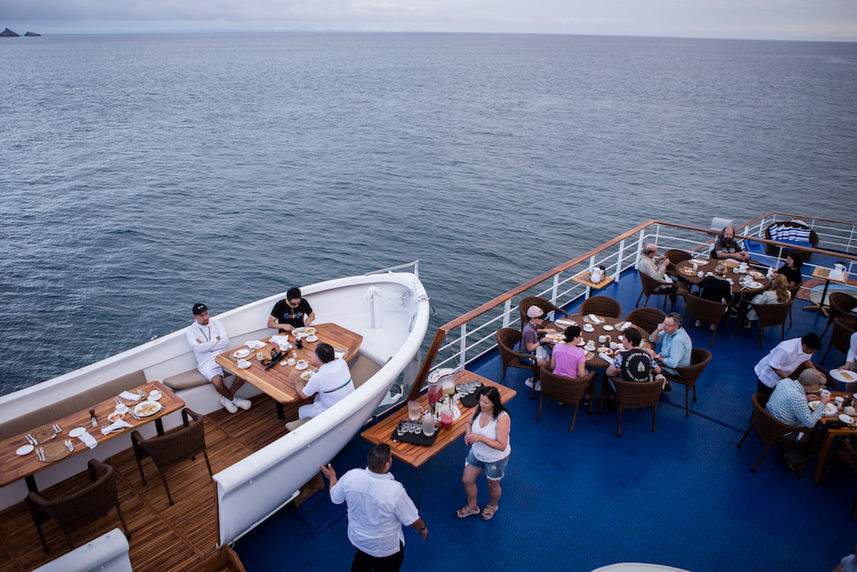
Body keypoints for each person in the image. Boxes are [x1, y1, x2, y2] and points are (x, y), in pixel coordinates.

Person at [319, 444, 426, 572]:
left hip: (359, 541)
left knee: (362, 561)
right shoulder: (395, 490)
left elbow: (335, 497)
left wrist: (332, 477)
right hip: (386, 550)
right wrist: (422, 527)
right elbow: (411, 519)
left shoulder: (351, 476)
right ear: (387, 465)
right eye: (391, 457)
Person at [456, 386, 511, 522]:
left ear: (494, 403)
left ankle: (492, 506)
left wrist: (479, 438)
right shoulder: (479, 408)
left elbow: (501, 445)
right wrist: (469, 434)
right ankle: (472, 507)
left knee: (493, 486)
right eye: (481, 400)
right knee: (467, 480)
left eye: (486, 402)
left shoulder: (502, 419)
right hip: (477, 453)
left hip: (495, 459)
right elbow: (468, 423)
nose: (482, 404)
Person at [184, 303, 251, 414]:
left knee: (243, 372)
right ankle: (234, 400)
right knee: (217, 382)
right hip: (206, 362)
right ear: (195, 317)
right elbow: (199, 349)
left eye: (206, 314)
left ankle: (226, 399)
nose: (205, 317)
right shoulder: (190, 331)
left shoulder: (216, 323)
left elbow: (225, 341)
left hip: (222, 355)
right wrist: (216, 340)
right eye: (201, 315)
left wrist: (206, 345)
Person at [765, 369, 829, 471]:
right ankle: (793, 458)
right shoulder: (798, 398)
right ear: (811, 385)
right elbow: (810, 423)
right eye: (818, 384)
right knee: (821, 437)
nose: (819, 387)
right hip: (784, 430)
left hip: (768, 419)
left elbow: (789, 399)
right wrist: (822, 404)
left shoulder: (785, 382)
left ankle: (788, 447)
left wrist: (805, 397)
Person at [286, 342, 354, 429]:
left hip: (335, 411)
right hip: (350, 401)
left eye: (314, 355)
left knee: (302, 409)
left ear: (319, 360)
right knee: (318, 396)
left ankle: (308, 429)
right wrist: (315, 360)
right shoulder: (342, 362)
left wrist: (295, 380)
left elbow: (303, 395)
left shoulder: (317, 378)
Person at [754, 332, 823, 396]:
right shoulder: (786, 349)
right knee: (764, 397)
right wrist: (788, 381)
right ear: (805, 346)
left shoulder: (806, 348)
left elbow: (806, 359)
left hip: (782, 375)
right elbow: (774, 366)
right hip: (768, 376)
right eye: (812, 351)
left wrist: (816, 371)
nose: (813, 353)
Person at [648, 312, 692, 380]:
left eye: (667, 325)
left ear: (676, 327)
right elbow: (652, 339)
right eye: (664, 323)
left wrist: (656, 356)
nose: (664, 326)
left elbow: (672, 364)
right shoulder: (668, 330)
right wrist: (658, 330)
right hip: (664, 361)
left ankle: (655, 387)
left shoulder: (678, 340)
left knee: (645, 367)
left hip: (675, 371)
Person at [518, 306, 553, 390]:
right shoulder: (529, 331)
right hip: (527, 355)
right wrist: (542, 341)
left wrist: (545, 331)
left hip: (534, 351)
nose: (543, 320)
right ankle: (532, 381)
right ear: (533, 318)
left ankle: (540, 377)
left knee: (551, 360)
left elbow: (535, 331)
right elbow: (530, 348)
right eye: (540, 318)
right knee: (546, 364)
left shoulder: (531, 325)